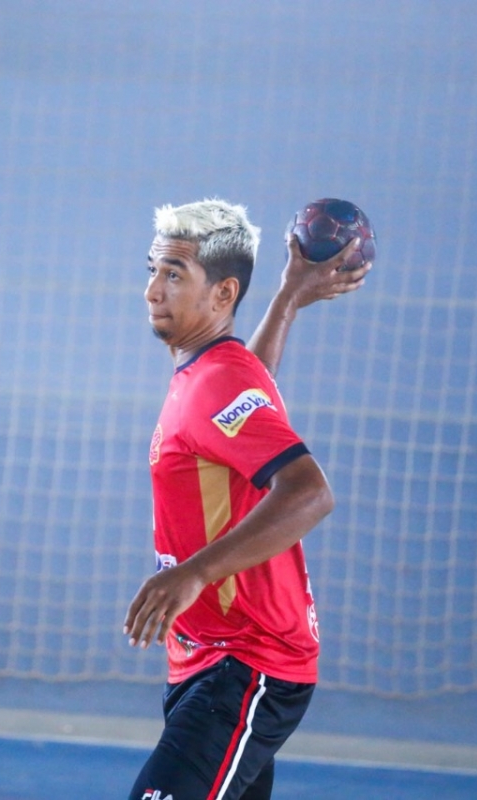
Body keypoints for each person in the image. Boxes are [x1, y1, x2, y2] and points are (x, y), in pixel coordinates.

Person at [124, 198, 368, 799]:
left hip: (244, 662)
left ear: (224, 293)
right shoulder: (222, 370)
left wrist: (195, 572)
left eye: (174, 274)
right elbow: (242, 395)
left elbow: (310, 493)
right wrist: (288, 297)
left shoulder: (217, 380)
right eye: (153, 270)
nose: (153, 290)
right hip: (214, 660)